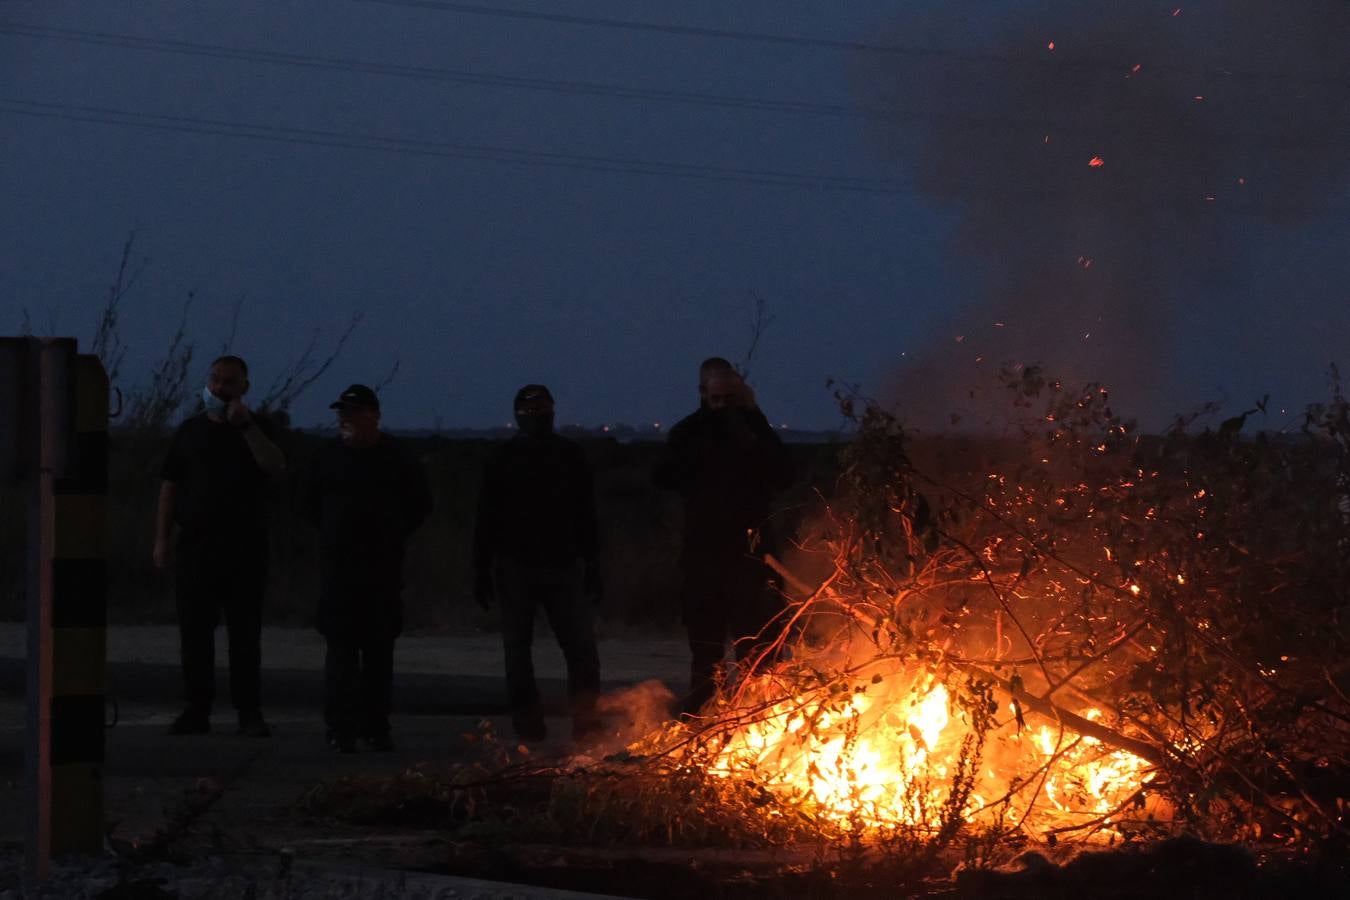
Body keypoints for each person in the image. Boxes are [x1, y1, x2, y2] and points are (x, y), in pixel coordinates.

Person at [154, 355, 287, 737]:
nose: (219, 388)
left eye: (228, 382)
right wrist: (161, 540)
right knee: (195, 634)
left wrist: (246, 428)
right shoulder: (189, 431)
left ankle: (250, 713)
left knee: (245, 635)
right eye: (215, 380)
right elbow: (169, 485)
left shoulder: (260, 429)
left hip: (245, 549)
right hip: (196, 547)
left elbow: (276, 465)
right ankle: (197, 710)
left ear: (243, 387)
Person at [652, 358, 793, 717]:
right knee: (706, 653)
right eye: (716, 399)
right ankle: (702, 724)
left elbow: (783, 473)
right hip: (704, 561)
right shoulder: (688, 434)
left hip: (752, 561)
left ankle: (755, 721)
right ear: (703, 393)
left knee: (759, 649)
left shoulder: (753, 430)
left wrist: (753, 418)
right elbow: (664, 477)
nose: (722, 406)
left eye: (730, 398)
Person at [299, 384, 432, 752]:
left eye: (353, 412)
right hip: (339, 570)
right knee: (340, 651)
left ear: (373, 415)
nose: (345, 419)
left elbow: (420, 504)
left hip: (381, 570)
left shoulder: (397, 457)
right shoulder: (327, 458)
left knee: (378, 652)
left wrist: (391, 534)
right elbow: (309, 505)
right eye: (342, 412)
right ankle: (340, 728)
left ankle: (376, 725)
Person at [473, 384, 602, 742]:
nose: (536, 416)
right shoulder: (502, 459)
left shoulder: (569, 455)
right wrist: (481, 568)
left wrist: (593, 563)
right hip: (516, 568)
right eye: (529, 411)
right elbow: (485, 518)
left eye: (541, 409)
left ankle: (586, 724)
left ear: (553, 411)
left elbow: (587, 514)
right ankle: (529, 727)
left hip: (562, 565)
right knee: (518, 653)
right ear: (517, 415)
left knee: (580, 650)